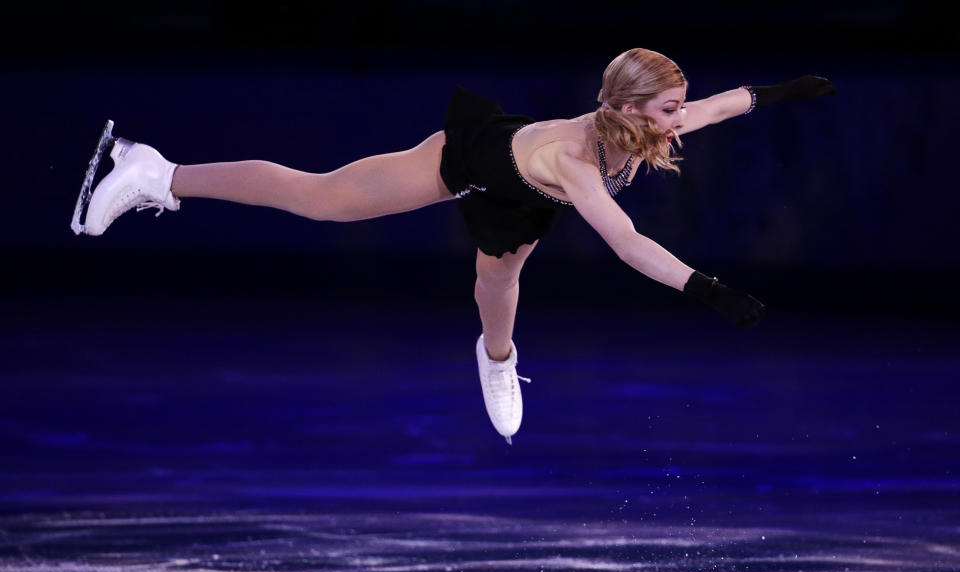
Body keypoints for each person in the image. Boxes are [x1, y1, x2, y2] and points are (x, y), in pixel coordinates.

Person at [73, 48, 836, 444]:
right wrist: (711, 290)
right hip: (467, 159)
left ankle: (497, 361)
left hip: (519, 204)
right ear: (633, 105)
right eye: (669, 109)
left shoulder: (651, 121)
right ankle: (158, 171)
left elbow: (722, 104)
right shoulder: (579, 158)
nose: (680, 119)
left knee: (495, 286)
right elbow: (627, 242)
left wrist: (784, 92)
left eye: (677, 108)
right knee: (319, 198)